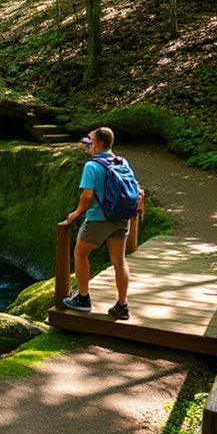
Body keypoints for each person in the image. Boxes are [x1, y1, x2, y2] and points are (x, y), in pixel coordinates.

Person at [62, 127, 131, 319]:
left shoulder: (92, 166)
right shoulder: (121, 161)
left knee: (80, 254)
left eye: (90, 141)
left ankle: (83, 299)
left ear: (99, 143)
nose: (88, 145)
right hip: (121, 218)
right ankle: (122, 305)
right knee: (119, 261)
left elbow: (87, 195)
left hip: (99, 219)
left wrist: (76, 213)